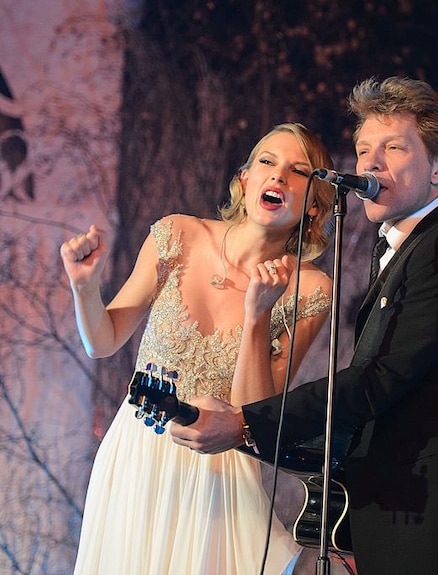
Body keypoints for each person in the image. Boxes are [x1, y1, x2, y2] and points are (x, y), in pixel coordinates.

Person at [170, 76, 438, 575]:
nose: (369, 162)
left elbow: (381, 379)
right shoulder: (399, 249)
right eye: (364, 148)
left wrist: (245, 423)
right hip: (408, 515)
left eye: (393, 147)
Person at [60, 122, 336, 575]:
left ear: (314, 205)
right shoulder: (177, 235)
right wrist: (84, 289)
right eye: (267, 162)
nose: (279, 177)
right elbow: (102, 342)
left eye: (298, 171)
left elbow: (256, 413)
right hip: (136, 459)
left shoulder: (310, 290)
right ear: (245, 180)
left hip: (219, 476)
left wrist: (257, 315)